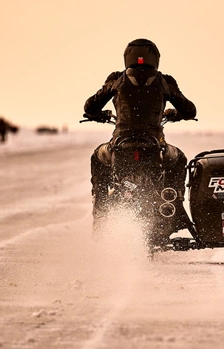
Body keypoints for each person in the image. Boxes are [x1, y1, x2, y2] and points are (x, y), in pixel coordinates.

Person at [83, 38, 197, 230]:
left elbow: (90, 107)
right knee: (179, 159)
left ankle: (101, 209)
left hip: (119, 145)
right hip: (155, 145)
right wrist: (175, 114)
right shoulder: (165, 81)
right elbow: (190, 111)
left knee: (97, 156)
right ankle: (173, 201)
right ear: (156, 57)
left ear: (127, 57)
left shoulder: (116, 79)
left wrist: (99, 115)